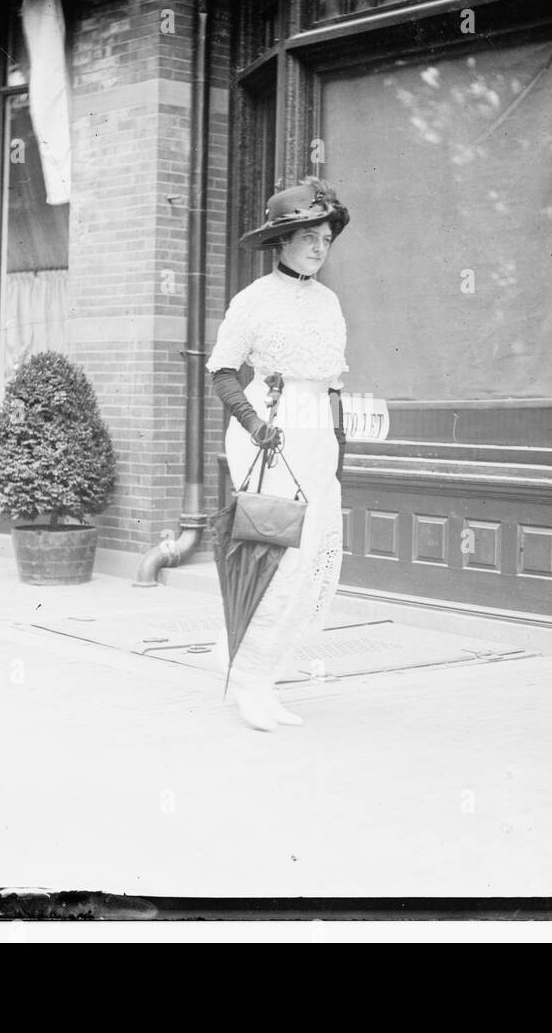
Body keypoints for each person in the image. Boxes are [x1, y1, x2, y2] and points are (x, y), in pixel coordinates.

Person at [206, 178, 351, 731]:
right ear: (282, 242)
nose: (319, 247)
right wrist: (254, 422)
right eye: (308, 237)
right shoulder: (254, 300)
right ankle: (250, 683)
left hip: (313, 434)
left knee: (310, 549)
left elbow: (330, 383)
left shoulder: (330, 302)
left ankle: (246, 654)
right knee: (272, 551)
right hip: (268, 430)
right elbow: (222, 373)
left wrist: (337, 442)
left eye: (325, 237)